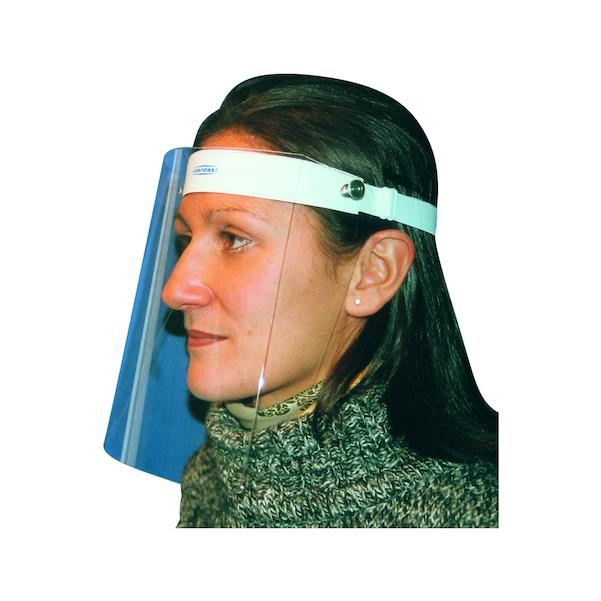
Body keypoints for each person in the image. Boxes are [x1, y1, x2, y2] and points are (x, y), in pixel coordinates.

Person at [157, 74, 498, 528]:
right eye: (186, 240)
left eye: (234, 238)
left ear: (373, 273)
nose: (176, 290)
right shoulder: (209, 476)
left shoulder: (474, 516)